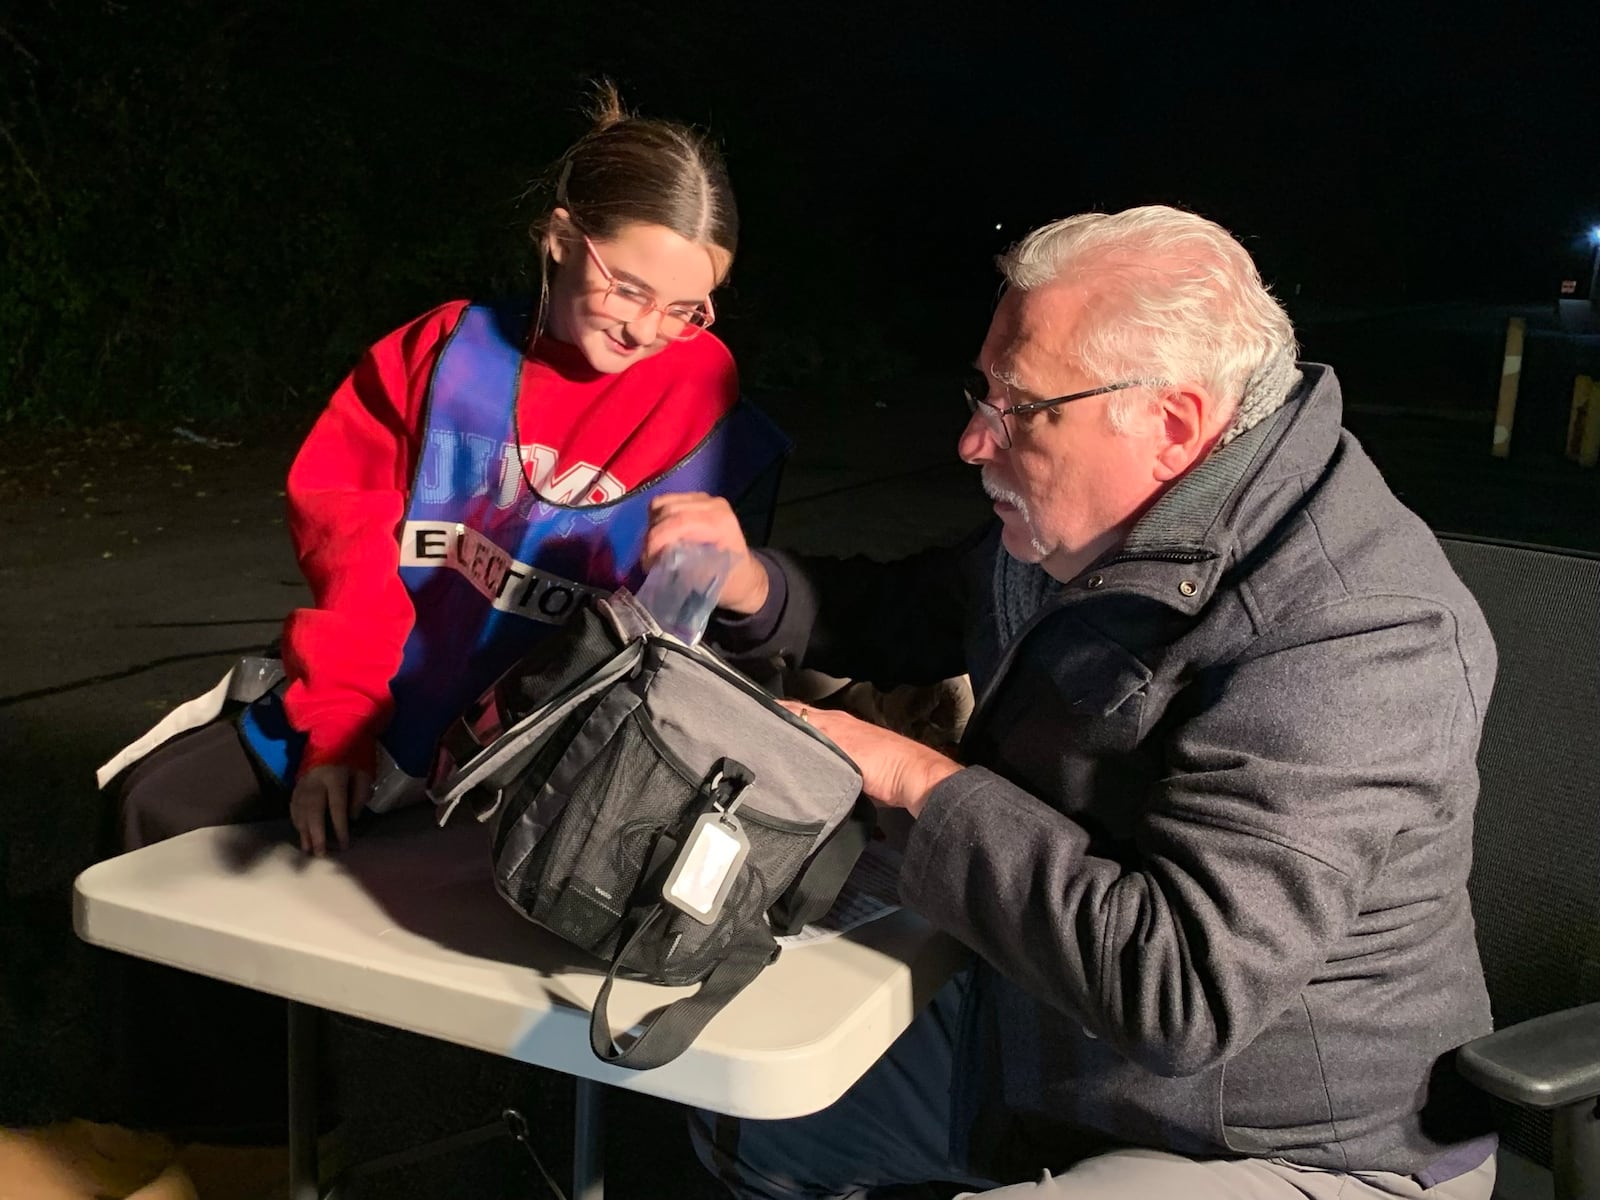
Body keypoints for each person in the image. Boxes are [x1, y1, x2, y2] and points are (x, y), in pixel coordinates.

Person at [645, 206, 1499, 1199]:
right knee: (749, 1121)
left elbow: (1180, 990)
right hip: (1056, 1060)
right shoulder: (1104, 521)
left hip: (1294, 1143)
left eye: (1015, 409)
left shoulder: (1352, 631)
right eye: (980, 391)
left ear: (1171, 425)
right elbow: (923, 607)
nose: (972, 440)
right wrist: (754, 584)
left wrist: (919, 780)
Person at [112, 84, 787, 857]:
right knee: (151, 813)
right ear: (562, 239)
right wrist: (337, 731)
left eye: (686, 308)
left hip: (544, 758)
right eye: (628, 288)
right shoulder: (441, 356)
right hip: (382, 703)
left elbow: (686, 643)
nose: (648, 329)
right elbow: (350, 555)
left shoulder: (706, 398)